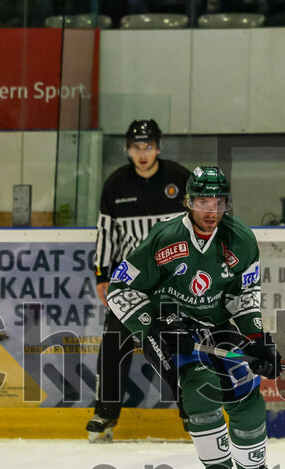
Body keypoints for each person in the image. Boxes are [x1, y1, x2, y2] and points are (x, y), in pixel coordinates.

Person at [105, 166, 285, 469]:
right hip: (166, 329)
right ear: (189, 203)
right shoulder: (163, 238)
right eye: (203, 202)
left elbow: (245, 294)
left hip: (214, 324)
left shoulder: (241, 240)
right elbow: (119, 290)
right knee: (201, 384)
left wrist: (255, 338)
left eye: (219, 202)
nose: (211, 211)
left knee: (245, 386)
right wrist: (152, 327)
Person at [88, 120, 192, 442]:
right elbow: (105, 232)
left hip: (172, 280)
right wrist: (102, 275)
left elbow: (199, 225)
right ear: (128, 150)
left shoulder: (180, 179)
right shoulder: (116, 184)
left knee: (179, 343)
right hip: (128, 281)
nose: (142, 153)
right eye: (136, 147)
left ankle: (193, 410)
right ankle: (105, 412)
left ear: (158, 147)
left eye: (148, 146)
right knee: (114, 344)